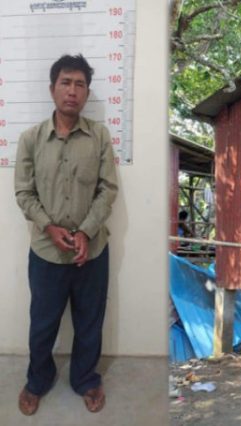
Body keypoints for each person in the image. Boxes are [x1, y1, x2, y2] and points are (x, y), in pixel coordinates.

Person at [14, 54, 118, 415]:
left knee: (90, 321)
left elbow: (108, 189)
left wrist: (86, 231)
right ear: (52, 89)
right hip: (47, 251)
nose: (72, 91)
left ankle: (86, 379)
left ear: (86, 93)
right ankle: (37, 380)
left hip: (93, 250)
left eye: (80, 84)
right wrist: (49, 225)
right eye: (65, 83)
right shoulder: (30, 139)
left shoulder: (100, 136)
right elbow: (24, 193)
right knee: (43, 324)